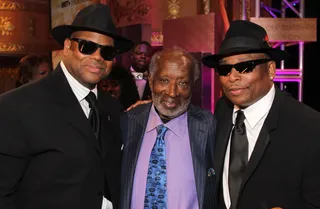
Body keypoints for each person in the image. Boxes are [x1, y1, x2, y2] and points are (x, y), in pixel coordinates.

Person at [0, 4, 133, 209]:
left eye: (107, 52)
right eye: (87, 46)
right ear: (67, 46)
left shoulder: (113, 109)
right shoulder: (17, 106)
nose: (97, 57)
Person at [201, 20, 320, 209]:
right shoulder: (222, 112)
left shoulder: (310, 127)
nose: (232, 77)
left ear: (271, 69)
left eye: (245, 66)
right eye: (224, 69)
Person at [120, 46, 216, 209]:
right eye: (164, 80)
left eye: (182, 83)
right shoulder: (128, 122)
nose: (172, 92)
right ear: (150, 80)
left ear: (193, 85)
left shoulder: (209, 126)